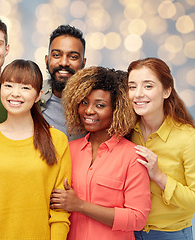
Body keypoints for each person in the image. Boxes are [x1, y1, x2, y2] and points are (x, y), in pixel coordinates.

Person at [0, 59, 71, 239]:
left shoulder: (57, 140)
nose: (15, 94)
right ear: (1, 89)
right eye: (8, 85)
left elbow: (60, 210)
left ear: (38, 95)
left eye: (25, 88)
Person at [51, 66, 151, 240]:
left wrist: (80, 205)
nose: (89, 110)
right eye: (84, 102)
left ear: (117, 110)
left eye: (100, 105)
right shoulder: (68, 150)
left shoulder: (133, 157)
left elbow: (138, 218)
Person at [127, 57, 195, 240]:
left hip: (171, 234)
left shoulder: (187, 138)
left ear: (166, 91)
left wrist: (158, 176)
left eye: (148, 86)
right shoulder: (125, 132)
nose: (138, 94)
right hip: (128, 232)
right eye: (132, 87)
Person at [40, 25, 87, 140]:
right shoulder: (31, 95)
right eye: (56, 55)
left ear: (83, 63)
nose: (64, 62)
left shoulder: (94, 102)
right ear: (47, 59)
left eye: (73, 57)